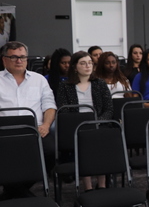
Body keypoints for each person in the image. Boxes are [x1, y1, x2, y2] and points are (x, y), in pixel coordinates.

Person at [0, 41, 57, 195]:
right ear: (4, 59)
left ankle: (15, 190)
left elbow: (49, 105)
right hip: (5, 131)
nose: (19, 61)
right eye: (14, 57)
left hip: (36, 130)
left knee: (51, 151)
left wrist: (45, 125)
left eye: (22, 57)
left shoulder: (39, 80)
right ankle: (19, 191)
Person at [56, 51, 113, 191]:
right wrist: (81, 123)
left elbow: (109, 109)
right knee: (83, 141)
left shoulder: (100, 84)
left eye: (90, 63)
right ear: (75, 67)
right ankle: (87, 187)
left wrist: (96, 122)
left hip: (99, 125)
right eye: (83, 63)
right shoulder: (65, 86)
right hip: (77, 127)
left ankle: (102, 185)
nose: (88, 66)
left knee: (101, 140)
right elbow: (64, 111)